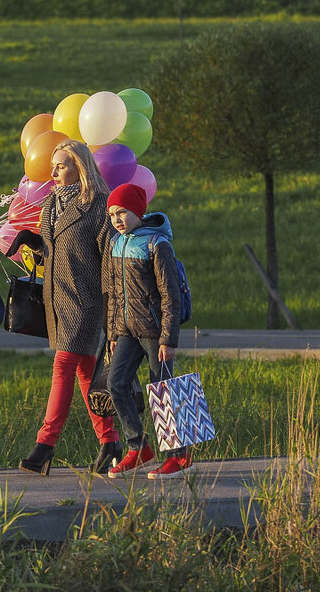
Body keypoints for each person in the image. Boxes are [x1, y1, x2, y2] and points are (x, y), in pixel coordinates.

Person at [6, 140, 122, 475]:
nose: (54, 172)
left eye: (61, 165)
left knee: (62, 368)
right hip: (57, 302)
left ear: (80, 167)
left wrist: (111, 312)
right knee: (86, 373)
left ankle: (45, 445)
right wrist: (34, 242)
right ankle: (109, 441)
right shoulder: (51, 204)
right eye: (53, 166)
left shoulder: (99, 205)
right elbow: (58, 253)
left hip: (87, 302)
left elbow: (108, 260)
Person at [102, 183, 191, 480]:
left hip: (155, 331)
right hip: (127, 331)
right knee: (116, 383)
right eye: (113, 213)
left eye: (123, 212)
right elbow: (114, 294)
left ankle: (179, 457)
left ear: (138, 211)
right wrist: (113, 333)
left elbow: (170, 295)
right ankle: (138, 446)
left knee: (164, 389)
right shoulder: (116, 243)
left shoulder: (157, 243)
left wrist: (169, 338)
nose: (117, 218)